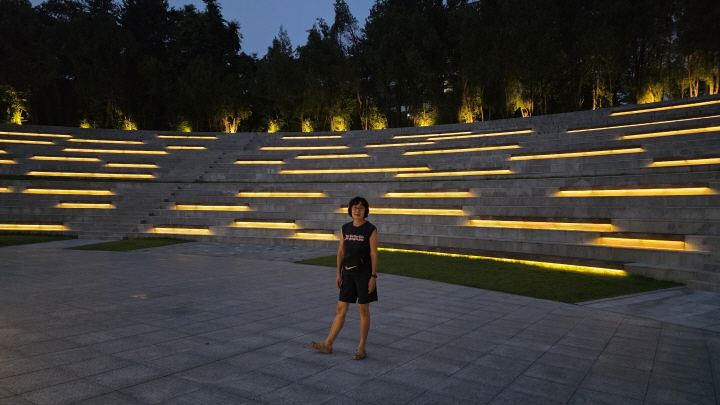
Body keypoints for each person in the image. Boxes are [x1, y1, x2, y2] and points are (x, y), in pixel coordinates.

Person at [310, 196, 378, 360]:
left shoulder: (370, 229)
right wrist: (338, 274)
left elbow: (374, 254)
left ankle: (361, 347)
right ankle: (328, 344)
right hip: (347, 274)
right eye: (354, 207)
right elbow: (341, 252)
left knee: (363, 310)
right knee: (341, 309)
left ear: (365, 211)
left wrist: (373, 277)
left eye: (361, 207)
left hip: (364, 274)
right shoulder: (345, 228)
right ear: (350, 210)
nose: (357, 210)